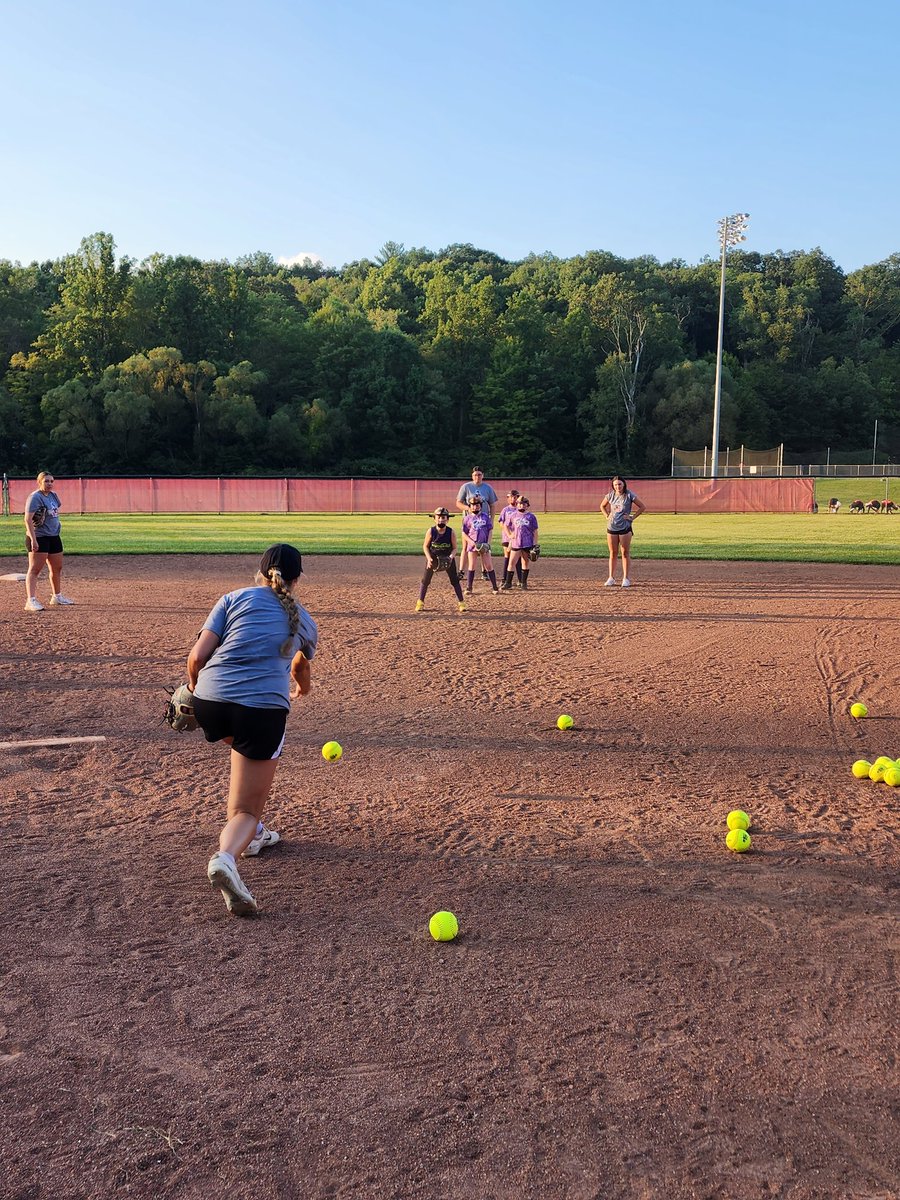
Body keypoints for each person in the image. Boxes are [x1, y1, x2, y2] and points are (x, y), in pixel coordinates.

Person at [186, 544, 318, 917]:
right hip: (261, 712)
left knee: (241, 750)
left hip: (210, 705)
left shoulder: (232, 599)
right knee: (246, 807)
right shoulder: (304, 619)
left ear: (260, 573)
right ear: (296, 580)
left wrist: (195, 691)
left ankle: (255, 836)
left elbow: (197, 657)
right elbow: (299, 670)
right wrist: (302, 691)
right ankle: (227, 856)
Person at [23, 470, 74, 612]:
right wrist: (33, 540)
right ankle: (30, 600)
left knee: (56, 568)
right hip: (39, 537)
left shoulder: (53, 496)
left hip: (54, 536)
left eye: (51, 481)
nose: (50, 483)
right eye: (46, 481)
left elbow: (54, 512)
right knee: (34, 570)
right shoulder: (35, 498)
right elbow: (27, 520)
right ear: (39, 482)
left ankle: (57, 596)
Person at [415, 508, 467, 614]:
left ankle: (461, 603)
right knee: (426, 580)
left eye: (443, 518)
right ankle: (420, 601)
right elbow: (425, 546)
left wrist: (451, 557)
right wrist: (429, 558)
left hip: (447, 557)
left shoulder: (450, 532)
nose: (441, 520)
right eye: (438, 517)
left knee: (455, 580)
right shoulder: (431, 531)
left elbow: (455, 548)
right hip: (433, 557)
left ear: (447, 519)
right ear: (434, 519)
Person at [600, 475, 646, 588]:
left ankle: (626, 578)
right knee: (613, 553)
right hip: (612, 527)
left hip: (625, 528)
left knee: (625, 553)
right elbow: (602, 505)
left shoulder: (629, 495)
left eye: (619, 484)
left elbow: (642, 506)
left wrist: (632, 517)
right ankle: (611, 577)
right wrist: (607, 515)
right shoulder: (610, 495)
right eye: (615, 484)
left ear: (624, 484)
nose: (618, 486)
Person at [456, 467, 499, 577]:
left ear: (483, 475)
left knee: (483, 546)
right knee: (466, 546)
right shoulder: (466, 487)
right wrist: (468, 508)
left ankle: (485, 571)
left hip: (483, 521)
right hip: (469, 521)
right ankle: (461, 571)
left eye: (479, 474)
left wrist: (492, 519)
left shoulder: (487, 488)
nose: (477, 477)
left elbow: (492, 505)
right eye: (475, 475)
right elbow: (458, 503)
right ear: (472, 475)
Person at [461, 497, 500, 594]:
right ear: (469, 507)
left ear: (480, 506)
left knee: (488, 565)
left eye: (477, 505)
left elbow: (490, 530)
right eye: (473, 505)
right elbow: (464, 533)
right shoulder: (467, 519)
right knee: (472, 565)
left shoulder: (485, 517)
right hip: (473, 545)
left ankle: (495, 587)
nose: (475, 507)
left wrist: (488, 543)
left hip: (484, 544)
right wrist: (470, 542)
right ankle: (469, 588)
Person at [501, 496, 539, 591]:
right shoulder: (513, 515)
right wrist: (509, 535)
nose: (521, 505)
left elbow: (535, 531)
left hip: (527, 543)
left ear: (527, 505)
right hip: (516, 542)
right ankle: (508, 583)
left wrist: (534, 543)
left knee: (525, 562)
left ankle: (523, 583)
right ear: (517, 505)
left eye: (524, 504)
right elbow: (505, 525)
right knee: (511, 562)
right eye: (519, 504)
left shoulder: (531, 516)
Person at [498, 489, 523, 585]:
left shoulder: (520, 508)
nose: (513, 499)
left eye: (515, 497)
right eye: (511, 497)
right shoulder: (505, 510)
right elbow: (501, 522)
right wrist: (508, 532)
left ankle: (521, 580)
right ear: (508, 498)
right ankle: (505, 579)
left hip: (518, 537)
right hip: (507, 536)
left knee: (517, 557)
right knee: (507, 556)